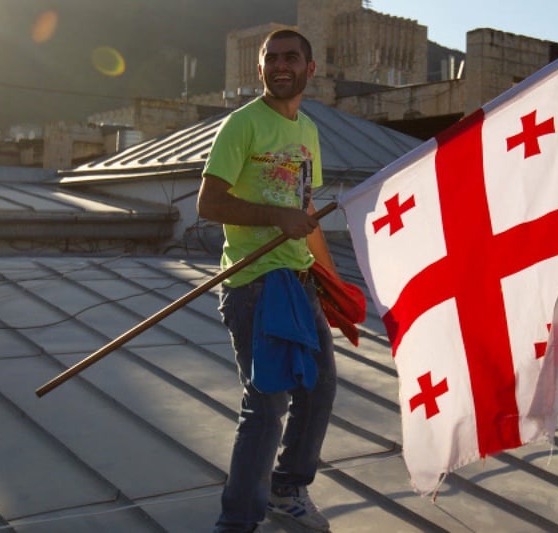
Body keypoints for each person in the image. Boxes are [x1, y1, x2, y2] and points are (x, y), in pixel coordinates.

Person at [198, 29, 338, 532]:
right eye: (271, 59)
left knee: (320, 388)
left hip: (300, 282)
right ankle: (237, 522)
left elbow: (305, 211)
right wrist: (273, 217)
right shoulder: (243, 124)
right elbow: (208, 203)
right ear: (259, 70)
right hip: (255, 284)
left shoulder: (308, 131)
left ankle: (287, 488)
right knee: (267, 403)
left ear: (310, 68)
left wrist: (334, 282)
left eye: (291, 58)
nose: (281, 65)